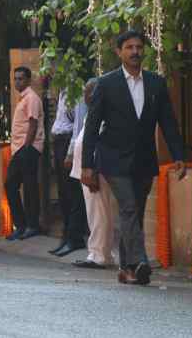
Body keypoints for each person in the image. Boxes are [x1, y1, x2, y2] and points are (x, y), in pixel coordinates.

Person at [82, 30, 185, 286]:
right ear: (119, 52)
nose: (135, 51)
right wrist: (87, 165)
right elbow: (92, 126)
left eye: (139, 47)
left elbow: (168, 123)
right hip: (113, 159)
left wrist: (178, 155)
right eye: (129, 47)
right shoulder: (106, 84)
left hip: (143, 159)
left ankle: (127, 269)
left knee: (135, 213)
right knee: (128, 207)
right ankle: (141, 262)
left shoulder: (156, 83)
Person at [71, 78, 116, 269]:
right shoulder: (92, 113)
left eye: (90, 92)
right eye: (86, 92)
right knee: (98, 214)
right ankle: (103, 253)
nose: (86, 96)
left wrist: (93, 171)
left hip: (95, 173)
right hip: (87, 171)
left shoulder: (105, 114)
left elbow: (100, 144)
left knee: (99, 214)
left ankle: (98, 255)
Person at [5, 66, 44, 241]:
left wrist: (27, 148)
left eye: (21, 78)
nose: (17, 81)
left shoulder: (32, 98)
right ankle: (21, 225)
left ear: (28, 80)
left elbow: (33, 124)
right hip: (19, 149)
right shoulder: (23, 98)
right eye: (16, 78)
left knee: (29, 188)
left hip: (27, 149)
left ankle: (32, 225)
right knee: (11, 185)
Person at [48, 89, 87, 257]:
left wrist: (71, 153)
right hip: (59, 141)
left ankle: (75, 237)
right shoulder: (63, 91)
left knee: (73, 192)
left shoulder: (76, 91)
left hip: (68, 143)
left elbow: (78, 125)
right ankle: (66, 235)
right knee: (63, 193)